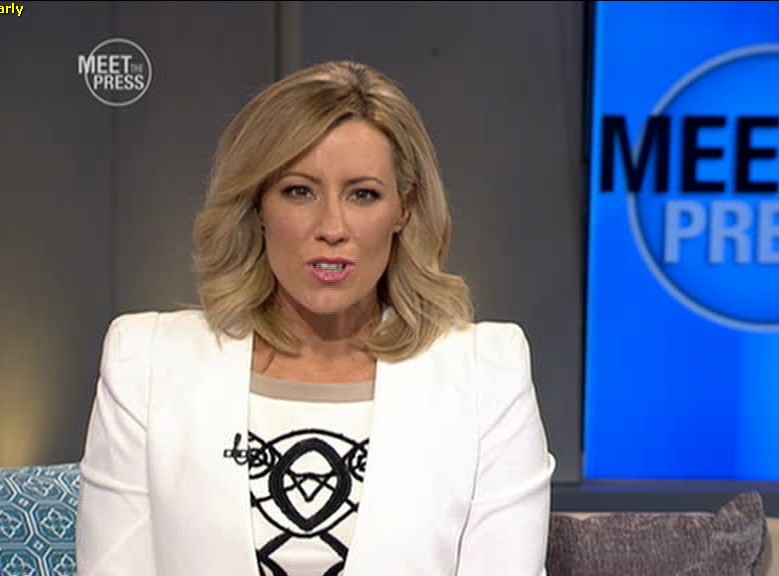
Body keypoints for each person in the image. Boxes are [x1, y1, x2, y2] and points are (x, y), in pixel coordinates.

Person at [75, 60, 556, 576]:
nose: (332, 227)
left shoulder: (486, 373)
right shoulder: (146, 362)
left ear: (404, 209)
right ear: (257, 205)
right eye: (299, 191)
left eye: (363, 194)